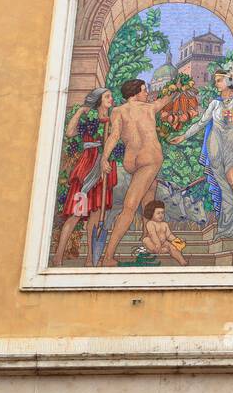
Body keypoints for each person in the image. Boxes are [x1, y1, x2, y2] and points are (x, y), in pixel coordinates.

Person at [170, 62, 233, 237]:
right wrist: (183, 136)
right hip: (216, 147)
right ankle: (228, 227)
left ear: (230, 81)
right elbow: (201, 123)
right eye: (216, 80)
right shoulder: (214, 104)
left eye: (219, 80)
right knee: (224, 188)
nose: (216, 84)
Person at [98, 78, 176, 266]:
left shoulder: (118, 111)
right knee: (139, 204)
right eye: (143, 90)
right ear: (134, 93)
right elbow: (167, 98)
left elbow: (115, 135)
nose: (146, 93)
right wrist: (177, 87)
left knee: (130, 205)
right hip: (145, 160)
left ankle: (109, 255)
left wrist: (104, 158)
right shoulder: (149, 108)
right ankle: (109, 257)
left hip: (144, 162)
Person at [53, 87, 118, 266]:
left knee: (95, 217)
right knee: (75, 214)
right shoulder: (90, 119)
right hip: (89, 166)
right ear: (98, 100)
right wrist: (81, 110)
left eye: (111, 96)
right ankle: (58, 257)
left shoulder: (113, 119)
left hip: (104, 169)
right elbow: (69, 132)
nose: (111, 99)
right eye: (107, 96)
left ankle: (90, 258)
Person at [140, 199, 187, 266]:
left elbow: (169, 235)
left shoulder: (164, 224)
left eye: (162, 213)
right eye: (158, 213)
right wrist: (158, 244)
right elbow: (153, 235)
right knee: (146, 240)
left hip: (163, 242)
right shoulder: (150, 223)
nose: (161, 215)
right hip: (153, 242)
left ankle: (182, 261)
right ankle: (158, 250)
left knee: (173, 247)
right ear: (151, 213)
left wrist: (177, 241)